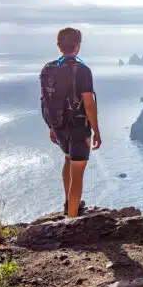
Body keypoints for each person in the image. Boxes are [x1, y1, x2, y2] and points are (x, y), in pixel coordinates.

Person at [40, 27, 102, 217]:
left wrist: (52, 126)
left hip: (58, 127)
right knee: (78, 171)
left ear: (59, 46)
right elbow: (89, 103)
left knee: (68, 160)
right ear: (77, 46)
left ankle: (68, 204)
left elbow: (46, 101)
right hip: (78, 128)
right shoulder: (82, 70)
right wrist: (96, 130)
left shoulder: (48, 69)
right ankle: (72, 218)